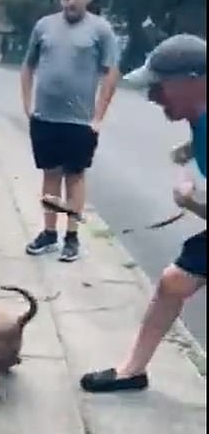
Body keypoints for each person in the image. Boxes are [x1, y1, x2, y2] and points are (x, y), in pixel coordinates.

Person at [81, 33, 206, 392]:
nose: (151, 96)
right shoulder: (200, 116)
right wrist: (188, 152)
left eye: (159, 86)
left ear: (193, 80)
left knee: (174, 282)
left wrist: (191, 202)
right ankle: (132, 371)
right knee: (173, 283)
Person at [20, 0, 120, 262]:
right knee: (50, 175)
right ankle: (49, 234)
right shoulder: (44, 27)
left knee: (74, 177)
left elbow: (111, 72)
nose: (71, 2)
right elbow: (28, 66)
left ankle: (71, 237)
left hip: (79, 121)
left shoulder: (100, 30)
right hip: (45, 118)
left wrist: (98, 116)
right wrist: (27, 104)